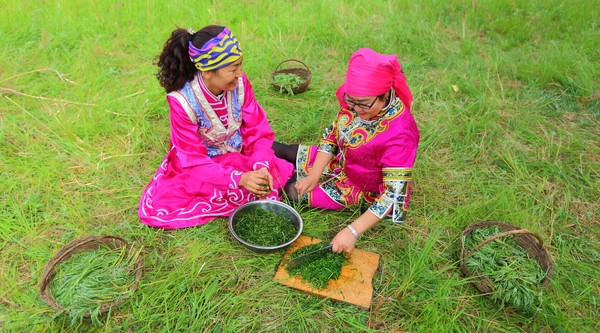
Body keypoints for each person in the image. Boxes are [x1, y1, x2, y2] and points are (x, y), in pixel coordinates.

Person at [139, 25, 294, 229]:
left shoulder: (240, 83)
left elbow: (257, 130)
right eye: (233, 68)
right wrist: (240, 178)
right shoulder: (182, 102)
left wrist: (260, 166)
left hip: (238, 148)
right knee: (244, 187)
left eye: (240, 65)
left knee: (264, 174)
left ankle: (310, 167)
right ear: (207, 71)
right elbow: (193, 160)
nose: (240, 73)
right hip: (204, 164)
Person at [273, 48, 420, 253]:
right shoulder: (356, 99)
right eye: (351, 101)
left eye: (364, 104)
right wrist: (314, 176)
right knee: (278, 150)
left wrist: (352, 231)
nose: (356, 109)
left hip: (360, 186)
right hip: (341, 160)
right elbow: (332, 136)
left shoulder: (401, 133)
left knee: (291, 190)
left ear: (385, 94)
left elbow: (393, 194)